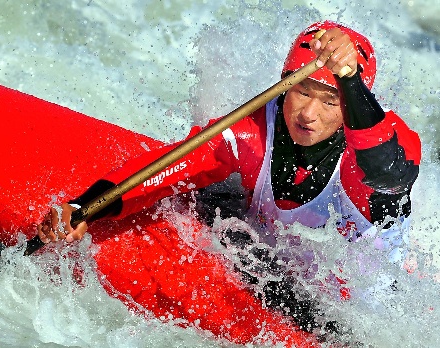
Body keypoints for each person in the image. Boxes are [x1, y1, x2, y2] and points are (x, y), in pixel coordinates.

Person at [38, 20, 421, 329]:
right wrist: (86, 206)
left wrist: (349, 77)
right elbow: (172, 166)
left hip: (352, 313)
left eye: (330, 100)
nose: (308, 114)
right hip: (271, 261)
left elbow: (386, 174)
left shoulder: (378, 148)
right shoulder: (252, 130)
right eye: (301, 92)